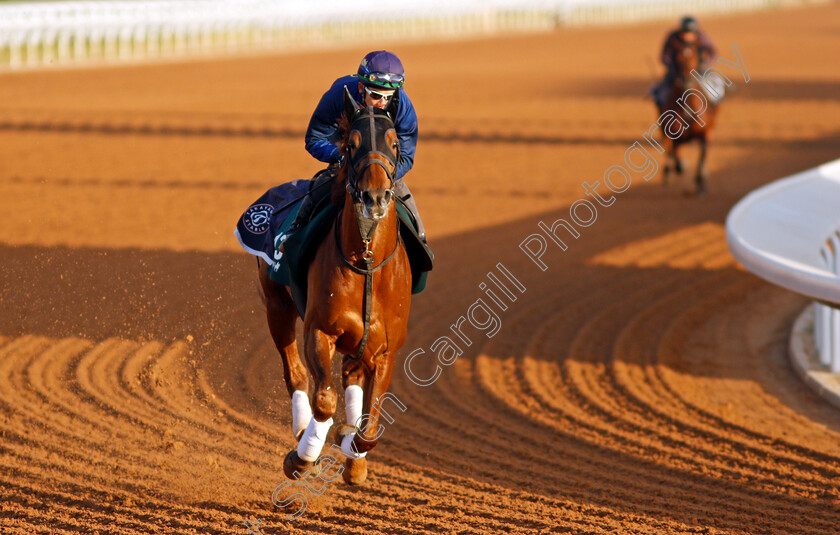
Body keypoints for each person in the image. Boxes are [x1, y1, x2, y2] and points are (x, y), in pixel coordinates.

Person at [285, 50, 425, 242]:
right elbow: (314, 139)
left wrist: (384, 175)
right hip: (346, 148)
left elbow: (407, 157)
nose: (383, 103)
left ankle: (421, 240)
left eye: (389, 97)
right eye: (376, 95)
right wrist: (340, 157)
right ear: (361, 87)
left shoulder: (403, 107)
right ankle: (295, 232)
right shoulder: (336, 95)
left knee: (403, 195)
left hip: (383, 161)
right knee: (323, 184)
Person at [651, 15, 717, 109]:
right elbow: (664, 56)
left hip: (699, 72)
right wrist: (673, 67)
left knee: (715, 90)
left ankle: (712, 111)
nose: (687, 36)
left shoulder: (702, 37)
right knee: (658, 92)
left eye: (690, 33)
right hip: (676, 73)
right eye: (685, 33)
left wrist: (703, 64)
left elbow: (712, 52)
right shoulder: (673, 38)